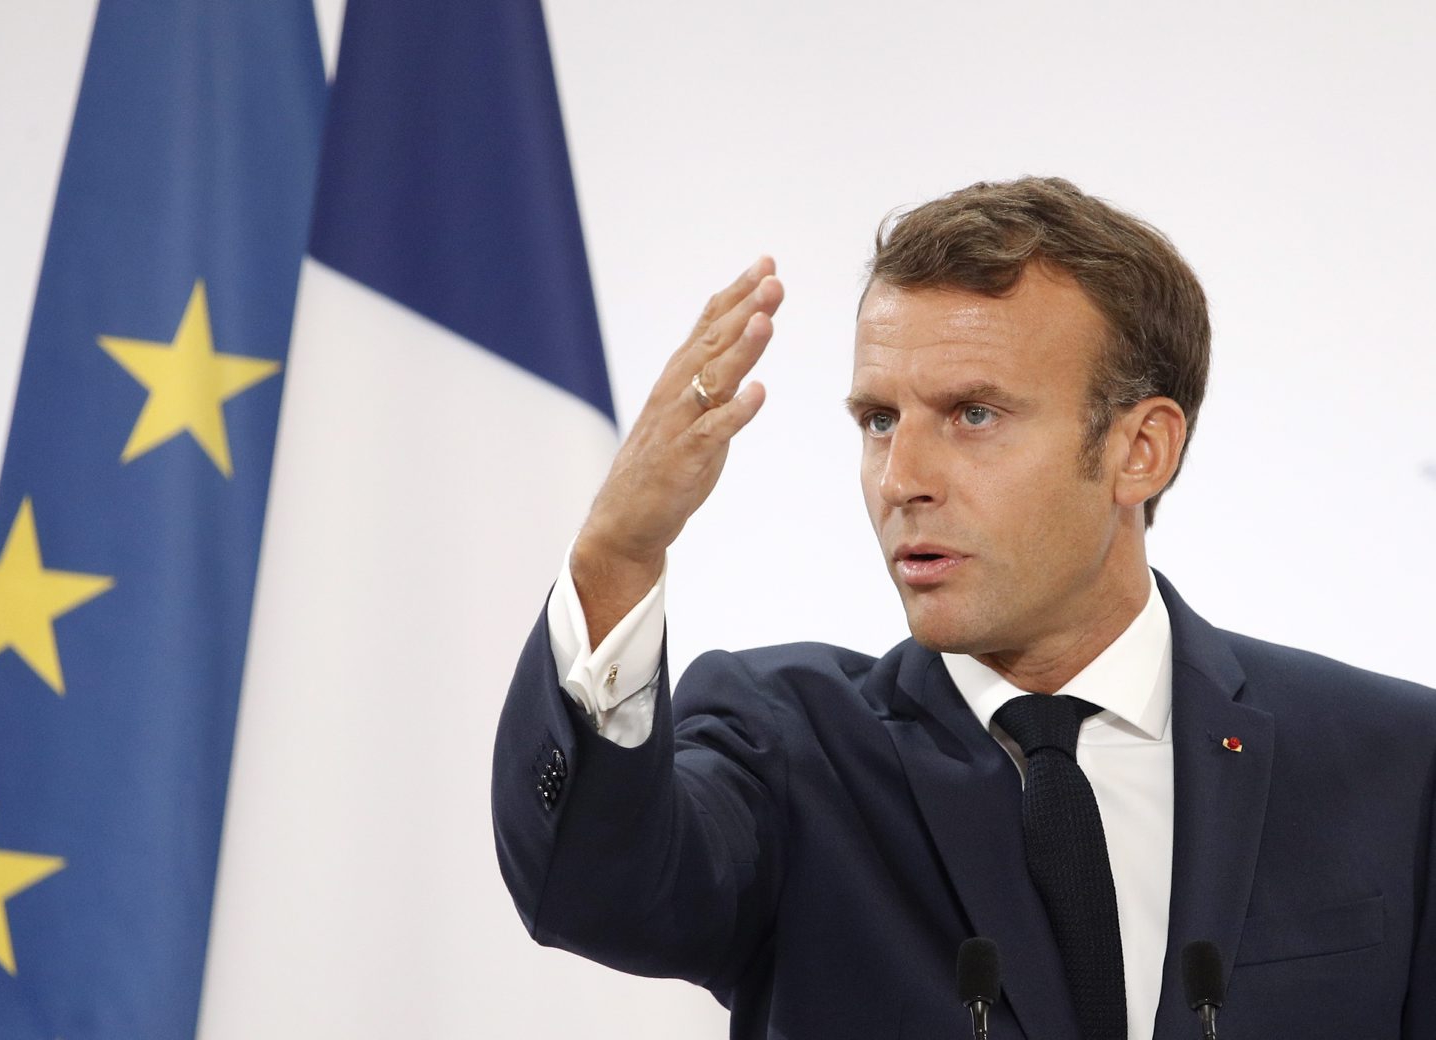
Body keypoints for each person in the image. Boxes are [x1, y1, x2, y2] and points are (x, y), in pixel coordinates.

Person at [491, 177, 1436, 1039]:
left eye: (972, 414)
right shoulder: (787, 745)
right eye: (878, 420)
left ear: (1139, 449)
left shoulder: (1394, 762)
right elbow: (595, 888)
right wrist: (617, 556)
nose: (901, 478)